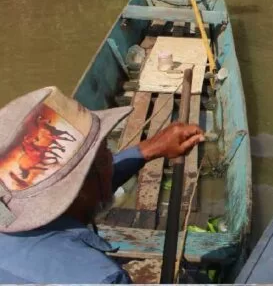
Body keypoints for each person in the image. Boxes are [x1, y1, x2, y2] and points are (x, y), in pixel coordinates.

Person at [0, 86, 205, 283]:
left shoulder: (12, 196)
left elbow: (90, 183)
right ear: (80, 191)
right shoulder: (100, 277)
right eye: (107, 150)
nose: (111, 157)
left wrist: (146, 150)